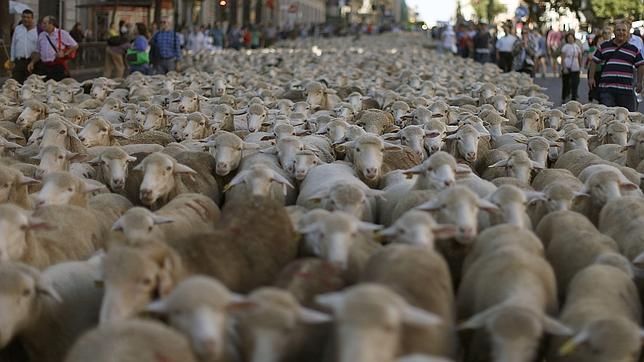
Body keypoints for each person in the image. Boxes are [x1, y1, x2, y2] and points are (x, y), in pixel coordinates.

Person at [589, 20, 644, 111]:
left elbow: (641, 65)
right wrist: (591, 78)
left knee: (627, 118)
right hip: (607, 90)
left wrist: (639, 82)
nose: (621, 32)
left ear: (627, 33)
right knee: (607, 117)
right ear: (614, 32)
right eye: (618, 30)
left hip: (626, 90)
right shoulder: (604, 46)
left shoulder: (633, 49)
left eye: (623, 30)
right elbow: (594, 61)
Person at [27, 16, 78, 81]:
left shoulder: (62, 33)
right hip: (44, 67)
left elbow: (75, 46)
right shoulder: (41, 35)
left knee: (58, 88)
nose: (42, 25)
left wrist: (65, 53)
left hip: (57, 67)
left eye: (44, 23)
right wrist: (32, 62)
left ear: (51, 24)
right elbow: (38, 52)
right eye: (42, 23)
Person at [10, 9, 37, 84]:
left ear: (32, 18)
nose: (25, 19)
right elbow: (13, 44)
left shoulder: (37, 30)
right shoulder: (18, 29)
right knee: (15, 84)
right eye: (24, 17)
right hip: (19, 62)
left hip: (32, 62)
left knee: (31, 85)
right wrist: (12, 60)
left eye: (28, 17)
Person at [560, 32, 582, 102]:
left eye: (572, 38)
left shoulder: (576, 46)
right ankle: (564, 96)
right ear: (567, 39)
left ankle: (574, 97)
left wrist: (580, 66)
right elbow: (562, 58)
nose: (570, 39)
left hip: (575, 67)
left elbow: (579, 56)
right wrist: (564, 67)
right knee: (566, 83)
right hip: (567, 65)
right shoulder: (565, 46)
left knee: (575, 82)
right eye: (569, 38)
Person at [586, 33, 604, 102]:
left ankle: (598, 99)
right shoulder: (592, 48)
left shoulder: (604, 49)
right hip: (593, 70)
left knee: (599, 86)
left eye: (602, 40)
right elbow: (590, 57)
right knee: (592, 86)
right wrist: (597, 51)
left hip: (600, 71)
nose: (601, 42)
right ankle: (591, 99)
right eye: (599, 40)